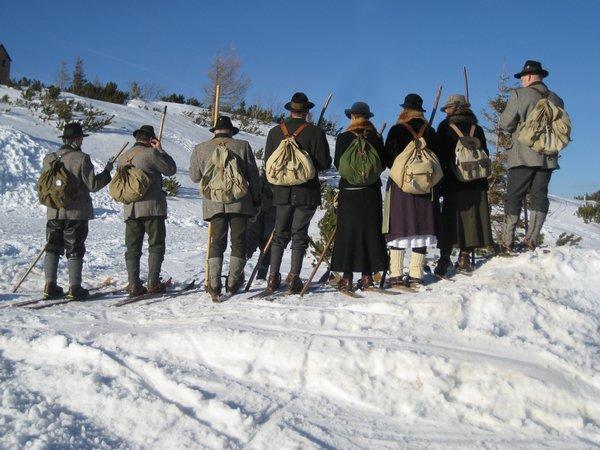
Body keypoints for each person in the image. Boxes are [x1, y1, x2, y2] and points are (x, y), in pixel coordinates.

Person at [263, 92, 332, 294]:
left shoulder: (275, 132)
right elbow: (324, 163)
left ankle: (272, 278)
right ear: (307, 111)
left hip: (282, 192)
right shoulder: (315, 132)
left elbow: (268, 161)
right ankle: (293, 278)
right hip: (306, 191)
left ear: (290, 110)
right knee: (299, 234)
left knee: (279, 234)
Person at [189, 116, 261, 297]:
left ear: (215, 131)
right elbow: (253, 176)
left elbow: (195, 177)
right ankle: (233, 283)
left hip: (213, 202)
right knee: (239, 241)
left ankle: (214, 284)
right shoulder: (242, 146)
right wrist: (256, 200)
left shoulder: (200, 148)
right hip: (239, 201)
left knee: (217, 242)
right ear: (231, 131)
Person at [42, 122, 113, 300]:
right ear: (77, 139)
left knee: (52, 247)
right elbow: (93, 185)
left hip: (53, 211)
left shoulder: (49, 158)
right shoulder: (82, 159)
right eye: (81, 138)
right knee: (75, 248)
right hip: (76, 213)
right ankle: (75, 288)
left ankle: (49, 285)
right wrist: (107, 172)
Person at [499, 60, 564, 252]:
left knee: (514, 196)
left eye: (522, 77)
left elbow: (506, 123)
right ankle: (531, 240)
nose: (521, 81)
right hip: (548, 156)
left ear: (527, 76)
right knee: (539, 196)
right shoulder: (557, 99)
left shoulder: (519, 94)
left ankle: (507, 242)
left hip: (523, 155)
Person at [382, 94, 440, 287]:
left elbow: (388, 159)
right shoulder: (430, 131)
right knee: (422, 228)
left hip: (401, 186)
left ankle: (396, 274)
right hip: (426, 187)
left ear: (404, 110)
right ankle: (416, 275)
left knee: (399, 229)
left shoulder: (397, 130)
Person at [330, 102, 387, 291]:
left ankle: (347, 278)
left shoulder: (343, 137)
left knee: (348, 233)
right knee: (370, 233)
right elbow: (383, 164)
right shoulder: (376, 137)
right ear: (368, 118)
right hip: (371, 192)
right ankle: (367, 276)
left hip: (349, 192)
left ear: (352, 117)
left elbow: (338, 163)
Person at [435, 95, 493, 274]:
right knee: (472, 221)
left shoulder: (445, 127)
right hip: (477, 182)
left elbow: (441, 155)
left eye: (448, 108)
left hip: (454, 182)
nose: (445, 111)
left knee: (450, 220)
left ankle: (444, 259)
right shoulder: (477, 128)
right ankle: (464, 257)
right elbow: (485, 152)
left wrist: (441, 182)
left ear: (455, 108)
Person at [119, 125, 177, 297]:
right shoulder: (151, 154)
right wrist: (160, 150)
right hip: (152, 209)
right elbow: (170, 170)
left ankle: (133, 284)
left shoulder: (124, 157)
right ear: (151, 139)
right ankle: (153, 282)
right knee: (156, 245)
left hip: (130, 209)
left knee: (132, 247)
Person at [245, 167, 276, 280]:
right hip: (262, 214)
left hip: (264, 215)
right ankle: (236, 275)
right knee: (257, 246)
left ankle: (260, 277)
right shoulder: (265, 180)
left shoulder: (260, 179)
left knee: (266, 247)